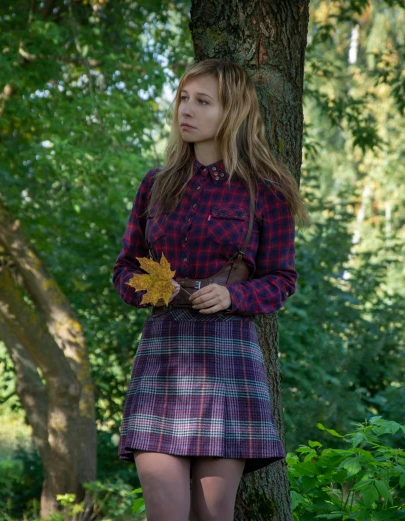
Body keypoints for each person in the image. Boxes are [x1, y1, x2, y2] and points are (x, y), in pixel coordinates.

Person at [112, 59, 308, 521]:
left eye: (203, 102)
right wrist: (150, 289)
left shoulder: (267, 191)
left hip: (227, 362)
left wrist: (233, 297)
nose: (187, 110)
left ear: (232, 113)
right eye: (184, 98)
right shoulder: (155, 186)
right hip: (163, 358)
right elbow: (124, 269)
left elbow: (282, 280)